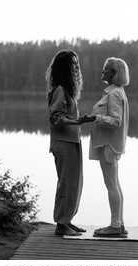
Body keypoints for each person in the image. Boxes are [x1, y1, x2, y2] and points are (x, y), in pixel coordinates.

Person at [46, 49, 95, 236]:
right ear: (64, 67)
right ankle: (61, 224)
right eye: (72, 63)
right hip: (63, 142)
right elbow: (56, 118)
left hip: (72, 141)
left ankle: (67, 220)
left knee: (75, 183)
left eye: (77, 63)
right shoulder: (59, 89)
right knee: (66, 183)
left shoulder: (67, 90)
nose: (76, 66)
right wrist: (77, 121)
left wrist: (78, 123)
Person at [89, 57, 130, 238]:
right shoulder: (116, 92)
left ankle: (115, 226)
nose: (102, 71)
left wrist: (95, 118)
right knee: (115, 184)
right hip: (110, 145)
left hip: (109, 146)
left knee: (111, 185)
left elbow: (116, 121)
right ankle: (119, 224)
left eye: (106, 69)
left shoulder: (114, 94)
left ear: (114, 74)